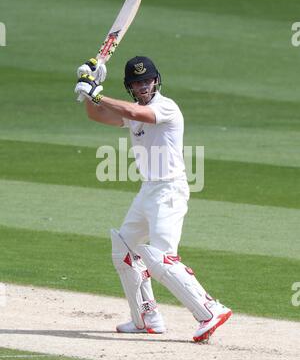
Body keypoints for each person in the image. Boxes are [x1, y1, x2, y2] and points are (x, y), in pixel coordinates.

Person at [74, 56, 232, 342]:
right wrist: (89, 89)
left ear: (156, 80)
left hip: (170, 190)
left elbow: (139, 115)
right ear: (130, 87)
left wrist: (97, 93)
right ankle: (147, 317)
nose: (144, 86)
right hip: (148, 190)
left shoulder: (166, 107)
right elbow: (96, 115)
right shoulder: (133, 110)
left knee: (161, 257)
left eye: (147, 80)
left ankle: (210, 309)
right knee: (124, 249)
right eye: (137, 83)